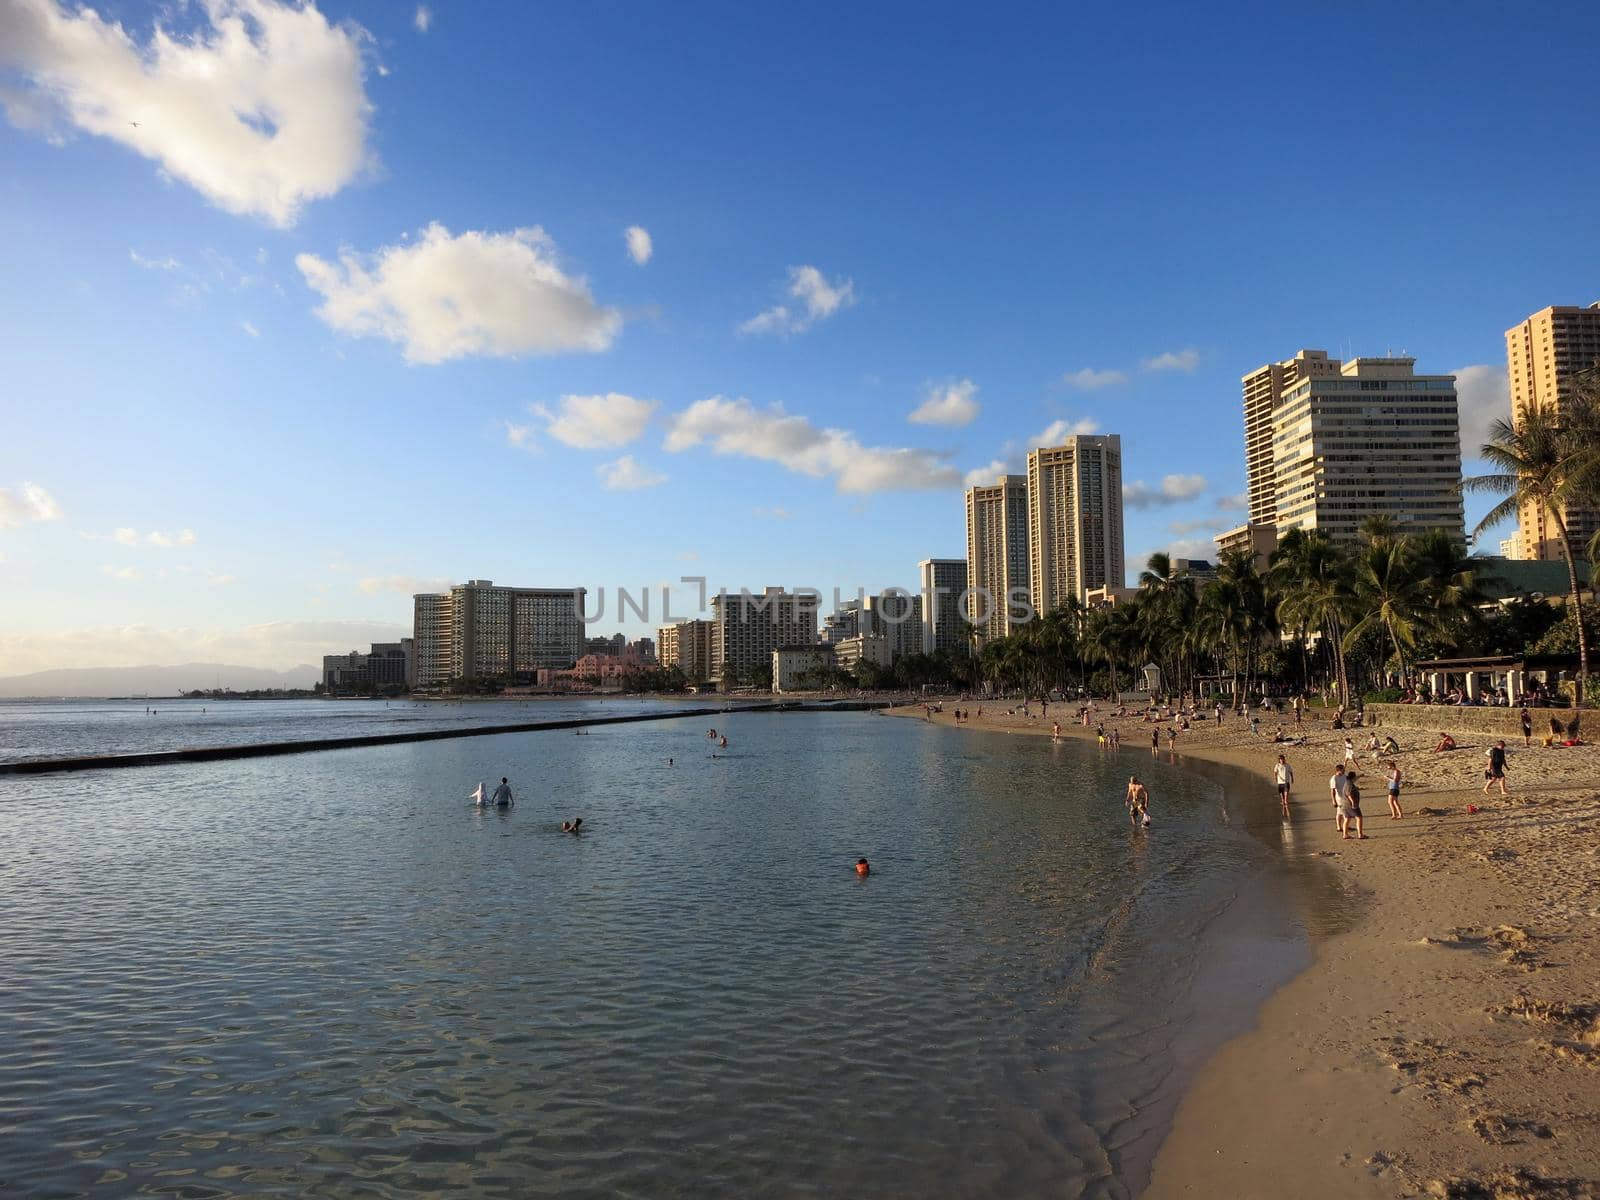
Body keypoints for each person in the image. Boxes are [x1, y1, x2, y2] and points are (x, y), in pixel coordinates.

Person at [1341, 770, 1366, 840]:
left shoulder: (1348, 782)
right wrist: (1353, 803)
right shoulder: (1349, 785)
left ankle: (1345, 834)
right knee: (1359, 818)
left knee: (1347, 819)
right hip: (1351, 805)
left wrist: (1360, 775)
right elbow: (1349, 795)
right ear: (1353, 777)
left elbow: (1355, 779)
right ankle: (1360, 834)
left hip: (1345, 805)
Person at [1273, 754, 1294, 819]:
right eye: (1280, 759)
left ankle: (1285, 801)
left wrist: (1292, 778)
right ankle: (1283, 801)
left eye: (1282, 759)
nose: (1282, 760)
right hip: (1280, 782)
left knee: (1286, 792)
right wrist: (1275, 777)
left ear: (1284, 759)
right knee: (1281, 793)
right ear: (1279, 760)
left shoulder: (1287, 765)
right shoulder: (1277, 765)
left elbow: (1291, 772)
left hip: (1286, 781)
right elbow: (1275, 772)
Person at [1329, 763, 1348, 832]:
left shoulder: (1345, 776)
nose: (1344, 771)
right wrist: (1333, 801)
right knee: (1339, 812)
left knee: (1345, 812)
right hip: (1339, 798)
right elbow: (1332, 790)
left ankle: (1345, 825)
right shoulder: (1334, 778)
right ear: (1339, 770)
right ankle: (1339, 827)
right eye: (1343, 770)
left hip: (1346, 796)